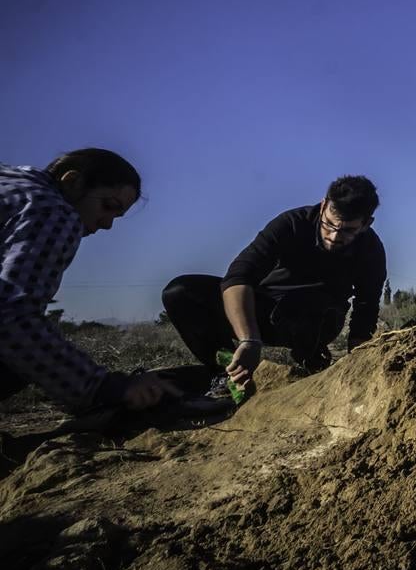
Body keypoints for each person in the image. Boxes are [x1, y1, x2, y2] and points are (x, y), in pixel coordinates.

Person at [162, 175, 386, 390]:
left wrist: (358, 365)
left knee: (304, 302)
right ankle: (228, 377)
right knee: (180, 292)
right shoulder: (291, 223)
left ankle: (311, 358)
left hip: (318, 320)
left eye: (348, 230)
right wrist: (249, 340)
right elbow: (239, 275)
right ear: (323, 205)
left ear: (367, 223)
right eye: (329, 224)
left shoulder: (371, 250)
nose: (334, 237)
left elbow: (365, 310)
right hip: (264, 312)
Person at [1, 149, 180, 413]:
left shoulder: (11, 179)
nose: (107, 224)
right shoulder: (54, 211)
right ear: (72, 182)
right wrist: (103, 387)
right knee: (16, 364)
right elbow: (12, 315)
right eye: (108, 207)